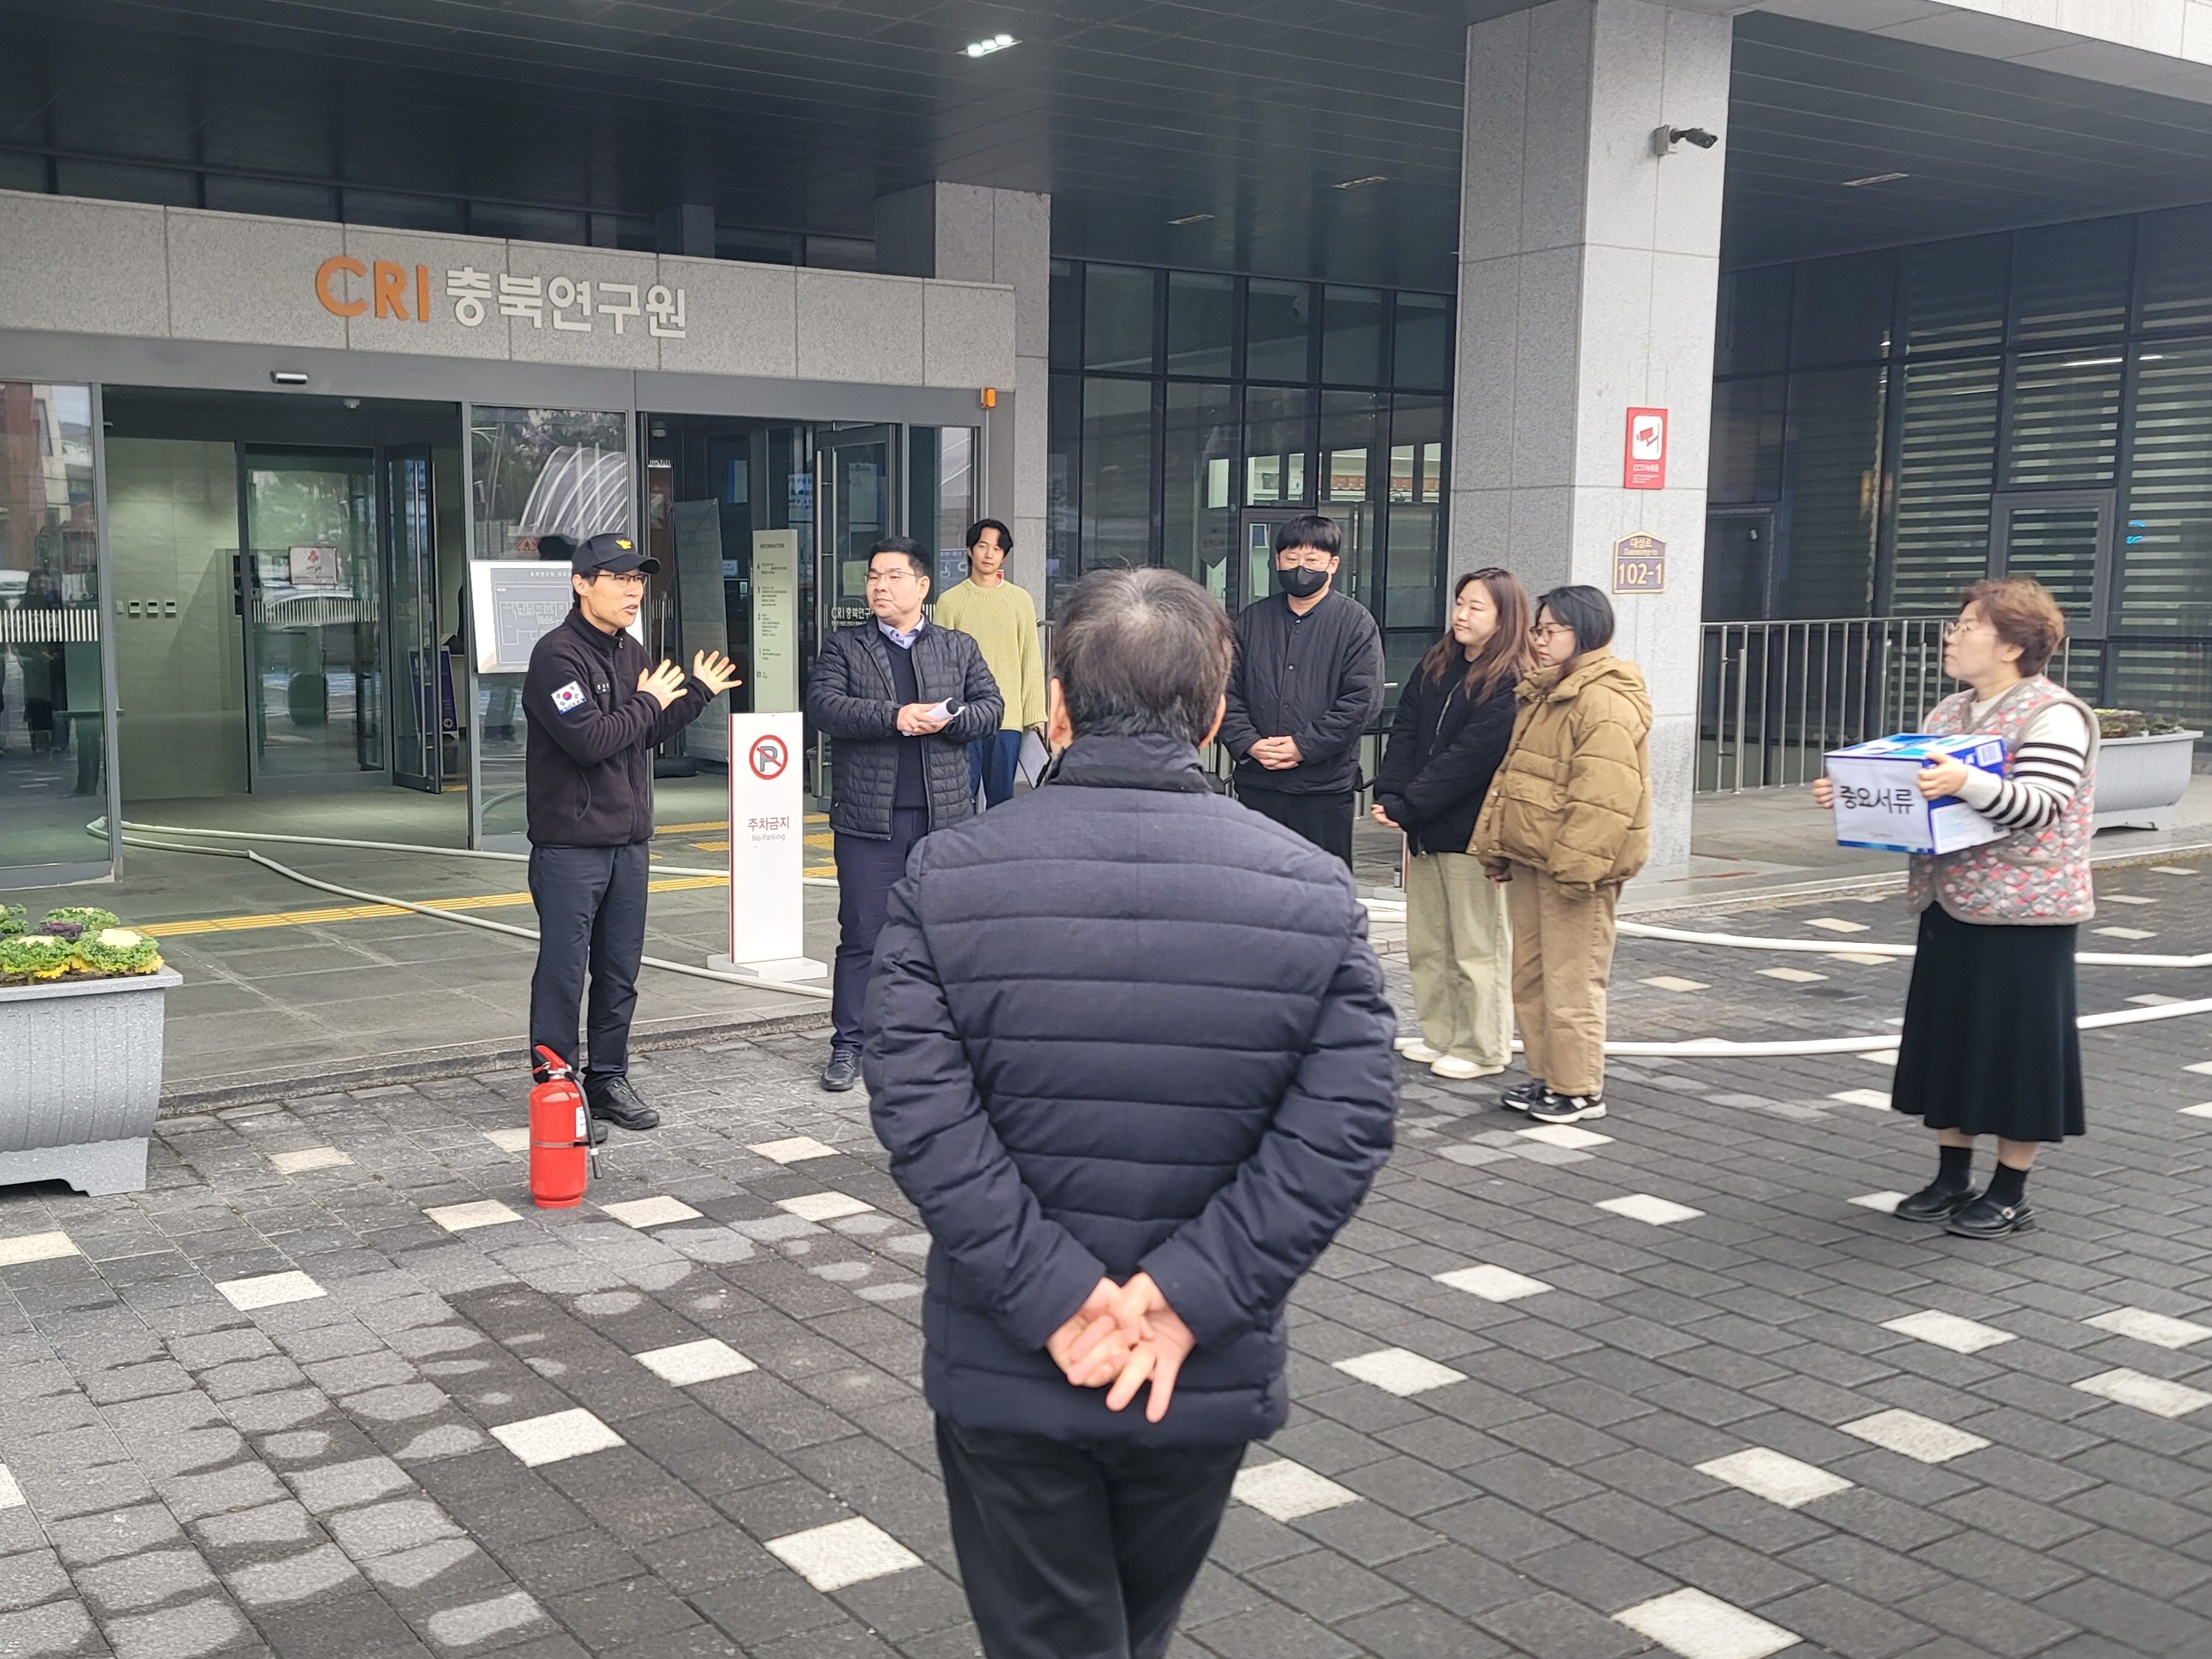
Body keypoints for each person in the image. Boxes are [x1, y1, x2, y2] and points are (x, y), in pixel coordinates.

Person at [865, 567, 1397, 1659]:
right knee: (1133, 1628)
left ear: (1056, 706)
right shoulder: (1308, 886)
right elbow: (1346, 1119)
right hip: (1194, 1359)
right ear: (1212, 713)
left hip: (1012, 1351)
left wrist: (1056, 1297)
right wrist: (1186, 1298)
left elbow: (920, 1106)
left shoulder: (946, 874)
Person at [1813, 578, 2094, 1239]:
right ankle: (1950, 1177)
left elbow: (2040, 804)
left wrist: (1964, 781)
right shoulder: (1947, 712)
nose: (1951, 636)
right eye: (1956, 624)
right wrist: (1853, 792)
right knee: (1950, 1040)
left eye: (1967, 626)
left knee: (2018, 1052)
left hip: (2025, 913)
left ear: (2012, 646)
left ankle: (2010, 1191)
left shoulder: (2053, 714)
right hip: (1949, 903)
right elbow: (1918, 798)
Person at [522, 532, 740, 1134]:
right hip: (570, 846)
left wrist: (694, 695)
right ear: (581, 584)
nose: (633, 591)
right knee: (564, 973)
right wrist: (649, 700)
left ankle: (608, 1078)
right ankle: (557, 1088)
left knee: (619, 971)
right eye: (618, 578)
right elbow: (590, 741)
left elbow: (642, 731)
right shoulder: (556, 657)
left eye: (638, 580)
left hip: (628, 841)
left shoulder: (630, 650)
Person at [807, 536, 1003, 1093]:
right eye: (873, 576)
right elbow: (824, 707)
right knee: (863, 935)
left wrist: (952, 719)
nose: (879, 586)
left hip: (945, 821)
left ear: (922, 586)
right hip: (870, 821)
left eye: (893, 576)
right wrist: (895, 716)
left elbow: (991, 708)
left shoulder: (956, 647)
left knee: (945, 936)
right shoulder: (845, 647)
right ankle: (849, 1045)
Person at [1472, 584, 1651, 1127]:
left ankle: (1577, 1088)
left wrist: (1577, 870)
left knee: (1572, 981)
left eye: (1552, 630)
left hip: (1577, 870)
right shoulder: (1547, 691)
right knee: (1531, 976)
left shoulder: (1603, 700)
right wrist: (1499, 848)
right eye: (1539, 629)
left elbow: (1604, 798)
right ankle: (1547, 1075)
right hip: (1534, 857)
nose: (1540, 640)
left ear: (1586, 632)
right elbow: (1514, 778)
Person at [1372, 568, 1532, 1081]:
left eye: (1475, 607)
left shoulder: (1511, 678)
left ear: (1504, 617)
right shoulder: (1438, 662)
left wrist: (1410, 803)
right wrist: (1389, 793)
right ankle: (1440, 1033)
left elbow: (1472, 757)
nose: (1461, 615)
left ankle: (1482, 1046)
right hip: (1425, 830)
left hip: (1474, 834)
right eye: (1459, 602)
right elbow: (1405, 728)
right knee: (1430, 943)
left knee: (1477, 946)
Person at [1219, 513, 1384, 865]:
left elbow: (1362, 701)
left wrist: (1303, 746)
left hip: (1323, 787)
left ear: (1333, 564)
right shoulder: (1252, 620)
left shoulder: (1355, 623)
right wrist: (1249, 743)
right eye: (1291, 559)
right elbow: (1224, 691)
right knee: (1256, 880)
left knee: (1321, 883)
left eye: (1312, 560)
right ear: (1277, 561)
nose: (1300, 568)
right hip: (1258, 782)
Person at [933, 518, 1047, 807]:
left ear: (1004, 555)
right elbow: (938, 662)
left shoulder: (1020, 600)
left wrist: (1036, 716)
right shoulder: (950, 601)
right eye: (983, 546)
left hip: (1008, 717)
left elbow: (1030, 659)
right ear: (969, 549)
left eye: (997, 549)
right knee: (961, 797)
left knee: (1002, 799)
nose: (989, 554)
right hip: (964, 716)